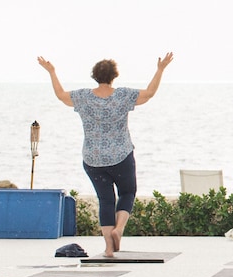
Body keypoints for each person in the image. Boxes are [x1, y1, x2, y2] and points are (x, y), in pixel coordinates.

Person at [38, 52, 174, 257]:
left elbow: (61, 95)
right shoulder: (122, 95)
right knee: (127, 193)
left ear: (94, 75)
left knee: (106, 200)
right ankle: (119, 229)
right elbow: (149, 94)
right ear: (114, 75)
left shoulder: (83, 97)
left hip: (93, 159)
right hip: (120, 156)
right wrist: (160, 69)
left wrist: (52, 72)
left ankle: (109, 247)